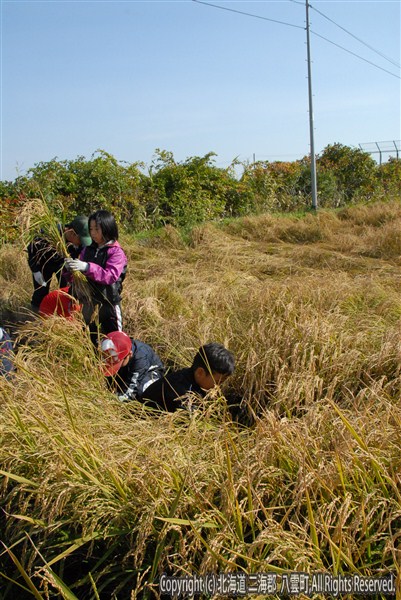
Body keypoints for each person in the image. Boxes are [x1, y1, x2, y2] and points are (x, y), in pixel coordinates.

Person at [65, 210, 128, 341]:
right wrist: (70, 270)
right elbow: (77, 278)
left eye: (97, 229)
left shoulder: (116, 252)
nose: (93, 233)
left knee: (115, 341)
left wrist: (87, 267)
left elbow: (110, 276)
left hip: (108, 303)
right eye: (91, 229)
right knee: (89, 339)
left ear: (107, 228)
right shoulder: (87, 250)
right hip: (89, 304)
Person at [141, 342, 235, 412]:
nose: (218, 386)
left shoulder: (193, 379)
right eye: (218, 381)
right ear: (200, 373)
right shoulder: (181, 392)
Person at [27, 215, 92, 309]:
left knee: (66, 291)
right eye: (80, 240)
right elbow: (31, 250)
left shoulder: (79, 243)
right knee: (40, 292)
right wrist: (36, 271)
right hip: (42, 264)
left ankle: (63, 314)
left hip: (63, 266)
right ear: (72, 233)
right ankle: (37, 315)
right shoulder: (49, 232)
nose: (81, 243)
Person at [101, 331, 165, 401]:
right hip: (129, 369)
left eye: (118, 363)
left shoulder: (140, 358)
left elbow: (132, 389)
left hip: (150, 373)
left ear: (129, 354)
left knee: (142, 392)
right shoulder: (112, 350)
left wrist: (112, 400)